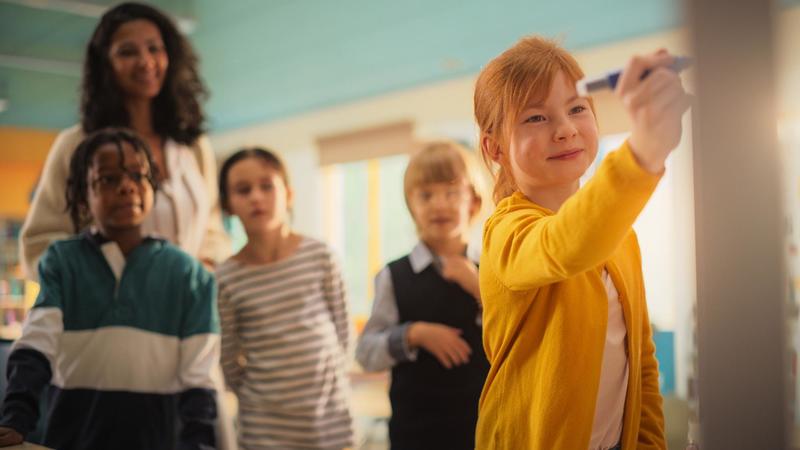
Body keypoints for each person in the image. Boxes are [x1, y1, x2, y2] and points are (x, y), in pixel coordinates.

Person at [474, 36, 691, 449]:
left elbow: (641, 360)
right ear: (495, 147)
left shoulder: (620, 235)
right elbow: (564, 246)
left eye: (577, 109)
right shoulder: (505, 232)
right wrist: (643, 150)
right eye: (536, 117)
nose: (565, 130)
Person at [0, 128, 219, 449]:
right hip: (72, 439)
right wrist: (16, 417)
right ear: (82, 197)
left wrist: (199, 444)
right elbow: (37, 343)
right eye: (108, 179)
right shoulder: (62, 262)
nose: (127, 186)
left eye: (138, 175)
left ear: (153, 186)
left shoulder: (190, 275)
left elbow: (199, 377)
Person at [20, 2, 229, 279]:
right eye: (127, 52)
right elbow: (39, 244)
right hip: (106, 303)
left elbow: (212, 230)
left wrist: (205, 266)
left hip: (187, 300)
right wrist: (95, 282)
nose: (145, 61)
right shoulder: (75, 144)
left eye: (154, 48)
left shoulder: (192, 145)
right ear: (105, 64)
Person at [215, 148, 354, 449]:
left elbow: (343, 334)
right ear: (228, 205)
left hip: (330, 425)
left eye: (267, 186)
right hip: (264, 432)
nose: (256, 197)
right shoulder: (226, 278)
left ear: (288, 194)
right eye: (243, 190)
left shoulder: (320, 256)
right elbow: (227, 360)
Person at [355, 141, 489, 450]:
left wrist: (479, 287)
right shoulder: (393, 276)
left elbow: (517, 340)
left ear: (473, 201)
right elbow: (365, 354)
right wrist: (414, 334)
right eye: (426, 195)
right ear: (411, 205)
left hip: (484, 430)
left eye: (451, 192)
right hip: (415, 433)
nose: (439, 204)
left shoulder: (494, 269)